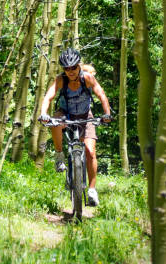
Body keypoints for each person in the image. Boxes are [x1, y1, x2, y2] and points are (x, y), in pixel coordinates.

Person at [38, 48, 112, 207]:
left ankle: (92, 190)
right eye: (66, 68)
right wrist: (44, 113)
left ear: (78, 65)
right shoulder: (61, 80)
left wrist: (107, 114)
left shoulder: (88, 78)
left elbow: (101, 94)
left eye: (73, 67)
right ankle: (59, 156)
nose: (70, 71)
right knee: (54, 122)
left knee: (91, 152)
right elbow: (49, 96)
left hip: (86, 116)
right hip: (66, 113)